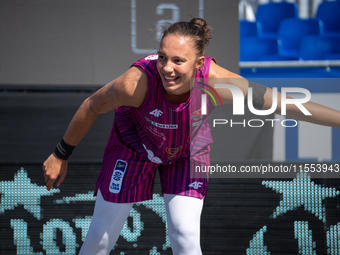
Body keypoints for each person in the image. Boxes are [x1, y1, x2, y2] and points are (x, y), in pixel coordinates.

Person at [43, 18, 340, 255]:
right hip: (132, 148)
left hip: (185, 151)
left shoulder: (220, 84)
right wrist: (60, 153)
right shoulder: (135, 85)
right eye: (162, 57)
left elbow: (287, 104)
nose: (167, 69)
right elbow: (91, 105)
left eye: (178, 61)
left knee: (185, 238)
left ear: (199, 64)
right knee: (98, 241)